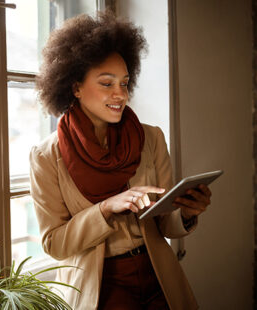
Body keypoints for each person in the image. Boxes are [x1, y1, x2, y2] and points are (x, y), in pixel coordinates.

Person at [29, 11, 212, 310]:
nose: (120, 94)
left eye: (125, 83)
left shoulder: (151, 138)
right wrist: (106, 208)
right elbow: (55, 244)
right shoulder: (46, 157)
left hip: (158, 277)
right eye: (106, 83)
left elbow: (165, 223)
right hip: (101, 287)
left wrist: (188, 212)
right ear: (75, 87)